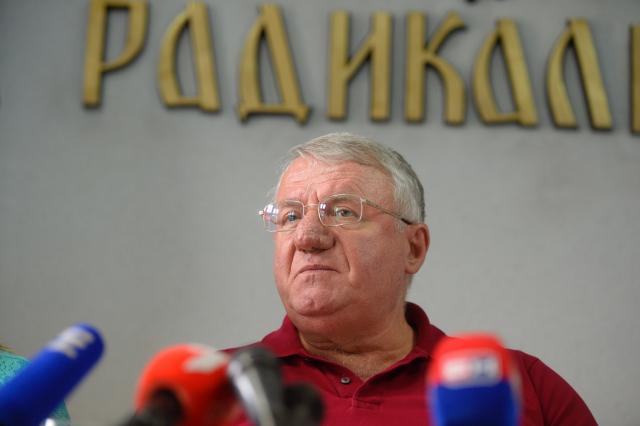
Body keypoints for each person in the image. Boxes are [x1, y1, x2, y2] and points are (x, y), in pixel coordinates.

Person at [230, 132, 597, 425]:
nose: (308, 238)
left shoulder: (521, 385)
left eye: (343, 212)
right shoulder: (214, 392)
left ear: (413, 248)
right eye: (291, 217)